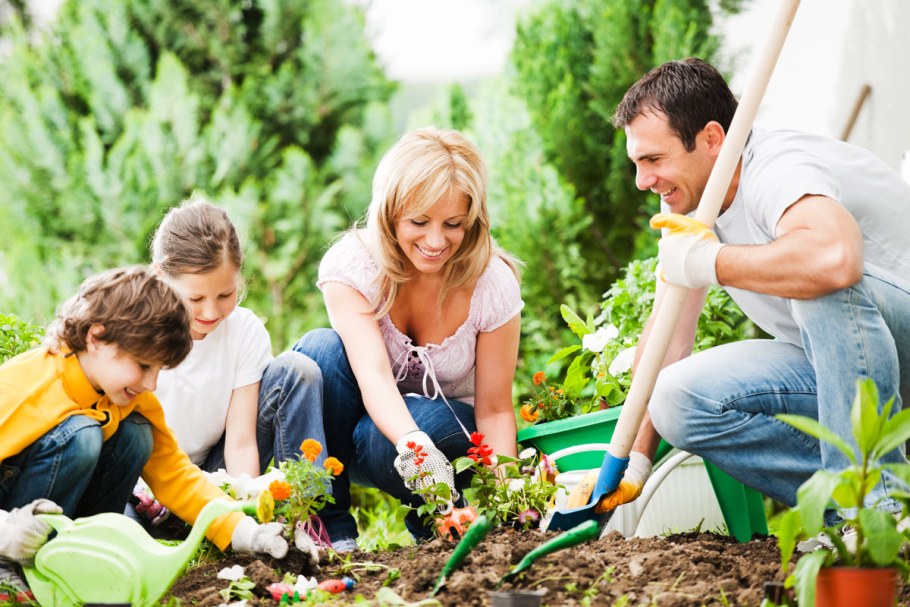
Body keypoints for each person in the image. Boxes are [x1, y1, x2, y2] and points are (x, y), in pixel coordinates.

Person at [597, 58, 910, 519]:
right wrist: (632, 462)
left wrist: (711, 262)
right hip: (851, 367)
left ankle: (877, 508)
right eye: (637, 163)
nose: (643, 181)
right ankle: (858, 516)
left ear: (711, 139)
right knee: (677, 398)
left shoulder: (777, 169)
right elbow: (668, 339)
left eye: (654, 160)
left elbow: (836, 260)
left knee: (816, 279)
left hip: (899, 336)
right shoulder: (691, 206)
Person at [294, 127, 523, 550]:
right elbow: (374, 377)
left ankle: (442, 526)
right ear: (390, 213)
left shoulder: (492, 282)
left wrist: (509, 498)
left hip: (440, 433)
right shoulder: (354, 265)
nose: (436, 242)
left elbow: (493, 409)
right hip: (360, 434)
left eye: (453, 224)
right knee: (318, 352)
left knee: (400, 430)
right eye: (419, 222)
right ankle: (332, 533)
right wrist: (414, 448)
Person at [0, 267, 288, 595]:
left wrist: (248, 533)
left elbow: (176, 476)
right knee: (82, 437)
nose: (151, 383)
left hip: (47, 521)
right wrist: (5, 531)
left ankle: (84, 556)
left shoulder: (131, 397)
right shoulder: (26, 388)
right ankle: (8, 568)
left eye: (158, 370)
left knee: (137, 435)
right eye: (143, 366)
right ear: (96, 338)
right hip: (10, 524)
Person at [148, 196, 326, 478]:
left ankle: (305, 508)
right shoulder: (137, 330)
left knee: (297, 369)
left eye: (225, 294)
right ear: (160, 276)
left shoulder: (243, 331)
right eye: (195, 298)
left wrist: (245, 512)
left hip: (213, 471)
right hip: (146, 476)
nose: (211, 311)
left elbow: (241, 443)